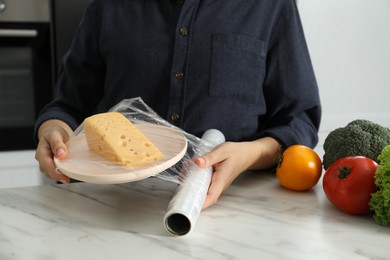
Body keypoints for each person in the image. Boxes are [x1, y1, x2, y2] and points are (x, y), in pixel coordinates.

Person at [34, 0, 321, 209]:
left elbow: (299, 118)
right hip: (114, 206)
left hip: (238, 206)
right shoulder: (107, 7)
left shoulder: (271, 6)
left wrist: (250, 153)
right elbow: (66, 107)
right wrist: (53, 130)